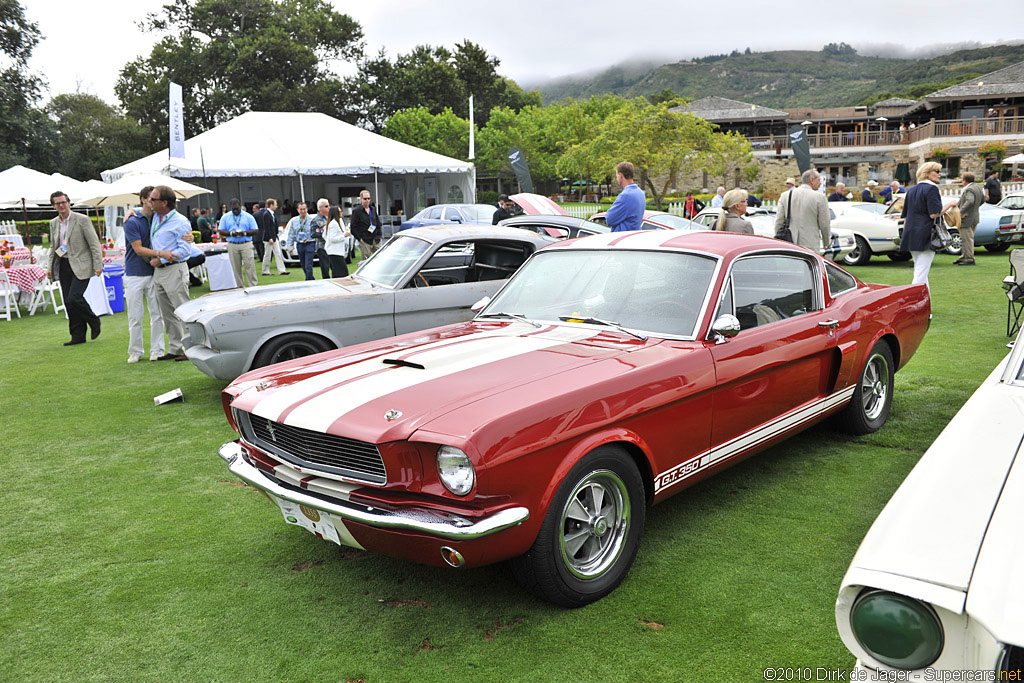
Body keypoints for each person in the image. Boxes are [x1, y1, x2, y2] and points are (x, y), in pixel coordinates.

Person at [48, 190, 103, 346]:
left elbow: (94, 244)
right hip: (63, 264)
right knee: (68, 302)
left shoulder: (82, 220)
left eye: (63, 202)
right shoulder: (53, 223)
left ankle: (94, 321)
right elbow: (54, 247)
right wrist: (50, 267)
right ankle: (77, 335)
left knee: (74, 297)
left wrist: (98, 264)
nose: (61, 205)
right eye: (57, 203)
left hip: (81, 265)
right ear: (53, 206)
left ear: (69, 203)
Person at [147, 185, 195, 361]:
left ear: (164, 202)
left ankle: (192, 348)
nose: (149, 202)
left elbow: (185, 250)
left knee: (183, 310)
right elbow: (141, 209)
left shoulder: (180, 222)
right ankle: (176, 348)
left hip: (174, 269)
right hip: (159, 272)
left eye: (153, 199)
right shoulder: (155, 217)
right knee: (167, 313)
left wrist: (163, 259)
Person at [122, 185, 165, 363]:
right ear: (143, 199)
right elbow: (138, 249)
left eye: (155, 199)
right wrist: (161, 255)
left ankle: (158, 350)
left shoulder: (160, 218)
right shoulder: (132, 221)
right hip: (134, 274)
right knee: (135, 315)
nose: (153, 202)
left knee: (157, 314)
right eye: (150, 198)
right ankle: (135, 351)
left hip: (155, 273)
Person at [900, 162, 959, 291]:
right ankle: (914, 306)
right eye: (936, 171)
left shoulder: (911, 190)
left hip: (911, 234)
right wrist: (950, 204)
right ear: (927, 173)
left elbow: (905, 215)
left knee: (921, 271)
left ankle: (925, 308)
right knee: (920, 274)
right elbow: (934, 214)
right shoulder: (931, 189)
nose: (940, 174)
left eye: (940, 171)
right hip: (926, 234)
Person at [774, 169, 831, 252]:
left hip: (789, 242)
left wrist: (777, 239)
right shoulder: (820, 198)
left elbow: (779, 221)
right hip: (810, 244)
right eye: (819, 180)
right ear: (812, 180)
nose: (821, 183)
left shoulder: (785, 196)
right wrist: (827, 242)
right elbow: (824, 224)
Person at [217, 198, 259, 288]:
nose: (235, 211)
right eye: (233, 209)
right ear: (230, 208)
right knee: (236, 268)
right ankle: (240, 287)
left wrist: (244, 233)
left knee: (250, 266)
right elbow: (221, 231)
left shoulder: (248, 216)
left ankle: (253, 286)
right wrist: (231, 233)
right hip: (233, 244)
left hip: (246, 243)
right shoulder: (225, 217)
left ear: (240, 206)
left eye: (237, 209)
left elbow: (255, 230)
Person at [605, 161, 645, 232]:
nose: (616, 177)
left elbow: (609, 219)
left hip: (623, 238)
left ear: (620, 175)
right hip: (634, 235)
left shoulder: (625, 195)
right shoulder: (640, 193)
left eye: (616, 175)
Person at [955, 172, 984, 266]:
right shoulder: (977, 188)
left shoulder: (969, 189)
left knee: (967, 239)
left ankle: (969, 259)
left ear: (964, 180)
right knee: (967, 238)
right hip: (974, 217)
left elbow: (970, 201)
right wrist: (974, 209)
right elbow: (983, 200)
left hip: (967, 218)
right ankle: (964, 256)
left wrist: (961, 212)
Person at [283, 201, 317, 280]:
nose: (303, 211)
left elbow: (317, 232)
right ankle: (311, 278)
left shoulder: (312, 220)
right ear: (298, 210)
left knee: (308, 265)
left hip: (310, 243)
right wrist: (290, 247)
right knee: (303, 264)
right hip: (300, 244)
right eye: (301, 209)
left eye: (304, 209)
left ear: (307, 209)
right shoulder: (294, 221)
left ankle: (308, 281)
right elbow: (291, 234)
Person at [257, 198, 288, 276]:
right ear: (271, 205)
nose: (276, 206)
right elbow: (267, 227)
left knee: (278, 253)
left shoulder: (272, 213)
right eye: (275, 204)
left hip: (274, 237)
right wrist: (270, 238)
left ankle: (282, 270)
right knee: (267, 254)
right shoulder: (266, 214)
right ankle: (265, 270)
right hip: (269, 238)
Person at [350, 190, 383, 259]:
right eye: (365, 199)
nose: (367, 200)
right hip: (365, 240)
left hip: (376, 239)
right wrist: (360, 239)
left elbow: (378, 223)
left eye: (369, 198)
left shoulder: (373, 209)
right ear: (361, 199)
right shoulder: (357, 211)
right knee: (365, 260)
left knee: (380, 258)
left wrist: (379, 235)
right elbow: (353, 227)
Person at [324, 204, 350, 278]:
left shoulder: (338, 222)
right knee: (342, 272)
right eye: (340, 211)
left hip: (337, 252)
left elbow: (325, 235)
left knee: (337, 272)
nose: (342, 213)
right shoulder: (333, 224)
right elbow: (332, 238)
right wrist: (344, 236)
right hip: (334, 252)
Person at [310, 198, 332, 278]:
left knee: (335, 267)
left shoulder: (331, 218)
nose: (329, 207)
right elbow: (313, 234)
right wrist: (324, 233)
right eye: (326, 206)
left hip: (332, 246)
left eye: (329, 206)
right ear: (320, 208)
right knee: (325, 268)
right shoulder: (316, 220)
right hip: (322, 247)